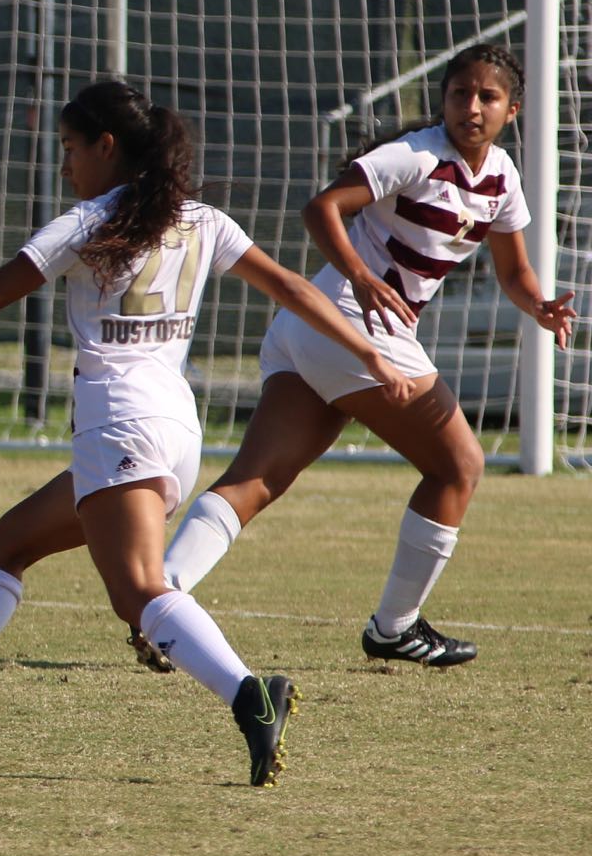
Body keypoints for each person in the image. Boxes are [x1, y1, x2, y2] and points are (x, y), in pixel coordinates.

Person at [0, 80, 422, 787]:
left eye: (71, 148)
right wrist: (370, 355)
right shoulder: (203, 219)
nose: (65, 165)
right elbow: (297, 288)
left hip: (119, 418)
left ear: (107, 147)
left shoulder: (88, 223)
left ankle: (249, 693)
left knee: (137, 591)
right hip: (172, 422)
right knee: (12, 541)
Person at [152, 42, 574, 669]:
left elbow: (513, 272)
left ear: (512, 110)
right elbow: (320, 207)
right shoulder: (415, 154)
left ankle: (159, 605)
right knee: (459, 466)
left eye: (488, 97)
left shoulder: (503, 180)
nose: (472, 107)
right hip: (350, 324)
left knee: (259, 479)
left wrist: (538, 303)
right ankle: (394, 628)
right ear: (444, 100)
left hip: (309, 329)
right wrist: (362, 277)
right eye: (461, 93)